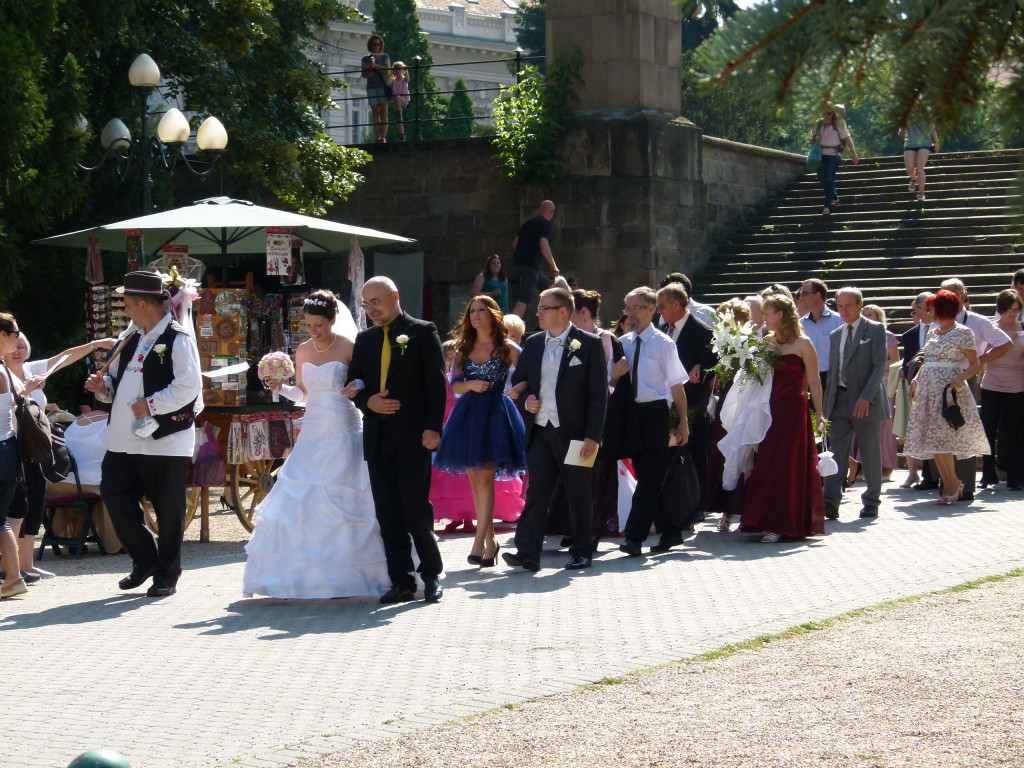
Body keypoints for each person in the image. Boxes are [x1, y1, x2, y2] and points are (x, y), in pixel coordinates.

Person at [242, 290, 391, 599]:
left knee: (351, 501)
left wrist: (357, 386)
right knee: (305, 497)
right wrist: (281, 388)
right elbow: (304, 394)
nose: (313, 331)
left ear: (333, 320)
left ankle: (361, 574)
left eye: (319, 325)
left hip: (345, 426)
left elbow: (366, 381)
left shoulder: (350, 347)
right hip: (313, 429)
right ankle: (303, 578)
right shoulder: (303, 350)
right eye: (309, 325)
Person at [84, 271, 203, 598]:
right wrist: (104, 388)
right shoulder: (131, 337)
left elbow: (189, 386)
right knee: (114, 494)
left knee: (168, 509)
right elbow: (124, 385)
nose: (124, 310)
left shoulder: (178, 338)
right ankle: (145, 559)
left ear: (142, 304)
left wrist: (151, 404)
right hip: (124, 438)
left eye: (126, 304)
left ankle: (167, 574)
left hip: (165, 439)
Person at [346, 276, 447, 603]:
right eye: (366, 303)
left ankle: (431, 575)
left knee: (415, 509)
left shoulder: (422, 331)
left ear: (395, 297)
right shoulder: (364, 340)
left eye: (376, 301)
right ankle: (401, 581)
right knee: (387, 514)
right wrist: (366, 403)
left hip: (414, 437)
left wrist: (434, 428)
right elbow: (353, 383)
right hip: (377, 438)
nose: (371, 309)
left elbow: (436, 384)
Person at [504, 287, 607, 571]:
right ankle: (527, 552)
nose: (537, 313)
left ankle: (582, 550)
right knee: (538, 491)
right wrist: (527, 401)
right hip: (540, 431)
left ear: (563, 311)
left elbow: (599, 395)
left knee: (578, 491)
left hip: (577, 435)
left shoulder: (588, 344)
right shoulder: (534, 343)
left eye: (544, 308)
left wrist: (593, 437)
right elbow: (521, 381)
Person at [4, 332, 115, 579]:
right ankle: (10, 567)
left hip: (37, 445)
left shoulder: (31, 368)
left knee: (35, 501)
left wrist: (94, 344)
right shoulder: (3, 373)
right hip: (13, 444)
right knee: (15, 504)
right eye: (14, 345)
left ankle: (26, 564)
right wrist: (28, 390)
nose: (17, 351)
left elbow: (63, 358)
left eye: (22, 346)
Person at [434, 296, 526, 567]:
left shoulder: (507, 348)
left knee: (485, 480)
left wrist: (518, 390)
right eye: (472, 311)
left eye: (481, 311)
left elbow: (528, 376)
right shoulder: (463, 348)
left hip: (497, 415)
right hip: (469, 417)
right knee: (475, 480)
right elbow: (455, 386)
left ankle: (478, 542)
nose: (475, 315)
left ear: (492, 315)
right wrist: (471, 384)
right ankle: (490, 542)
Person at [739, 295, 826, 542]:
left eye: (767, 313)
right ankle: (762, 519)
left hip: (792, 412)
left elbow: (814, 381)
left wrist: (819, 413)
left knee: (788, 465)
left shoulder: (803, 343)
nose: (763, 318)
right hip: (768, 410)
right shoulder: (767, 342)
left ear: (779, 315)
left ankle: (782, 524)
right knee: (767, 462)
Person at [617, 287, 690, 556]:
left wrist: (682, 423)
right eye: (628, 308)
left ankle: (634, 537)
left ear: (651, 309)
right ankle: (670, 531)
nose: (631, 313)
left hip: (656, 413)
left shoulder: (663, 344)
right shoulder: (623, 343)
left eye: (636, 307)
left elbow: (677, 386)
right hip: (630, 415)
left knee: (648, 477)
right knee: (649, 477)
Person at [904, 290, 991, 505]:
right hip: (928, 389)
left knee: (944, 437)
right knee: (933, 438)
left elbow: (975, 363)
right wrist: (915, 380)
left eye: (932, 308)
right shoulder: (934, 332)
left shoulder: (963, 332)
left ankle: (952, 483)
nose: (929, 311)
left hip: (947, 391)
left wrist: (960, 378)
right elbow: (926, 360)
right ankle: (951, 482)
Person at [938, 277, 1011, 500]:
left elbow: (1006, 342)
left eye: (951, 295)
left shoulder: (977, 322)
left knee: (962, 430)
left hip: (964, 379)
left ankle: (966, 486)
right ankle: (949, 483)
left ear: (962, 296)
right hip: (941, 381)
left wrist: (980, 360)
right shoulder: (938, 321)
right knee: (943, 431)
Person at [821, 288, 890, 521]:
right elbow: (833, 373)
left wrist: (866, 396)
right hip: (839, 399)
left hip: (865, 400)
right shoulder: (836, 334)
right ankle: (830, 502)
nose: (844, 310)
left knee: (870, 450)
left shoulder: (875, 329)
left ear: (860, 305)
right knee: (835, 452)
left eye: (849, 305)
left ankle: (871, 501)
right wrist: (826, 406)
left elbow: (879, 366)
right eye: (840, 306)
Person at [656, 282, 716, 500]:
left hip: (691, 402)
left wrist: (701, 366)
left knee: (695, 453)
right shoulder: (662, 330)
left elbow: (712, 366)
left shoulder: (702, 330)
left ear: (677, 304)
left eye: (662, 306)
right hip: (665, 401)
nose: (659, 311)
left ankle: (697, 502)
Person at [704, 299, 750, 531]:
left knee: (741, 454)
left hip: (743, 403)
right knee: (721, 454)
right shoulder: (721, 343)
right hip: (724, 404)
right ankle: (725, 509)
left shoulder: (750, 343)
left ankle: (738, 509)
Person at [849, 304, 900, 483]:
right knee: (861, 422)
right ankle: (861, 465)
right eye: (864, 314)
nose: (867, 317)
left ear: (879, 317)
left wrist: (876, 366)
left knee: (884, 425)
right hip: (861, 381)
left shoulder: (888, 336)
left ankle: (885, 467)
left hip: (883, 382)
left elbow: (895, 361)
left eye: (871, 314)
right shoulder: (856, 334)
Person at [978, 289, 1024, 490]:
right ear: (1001, 309)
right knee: (988, 429)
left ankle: (1015, 476)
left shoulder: (1023, 327)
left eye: (1016, 310)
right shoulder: (991, 328)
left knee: (1016, 431)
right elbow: (981, 357)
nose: (1012, 314)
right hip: (992, 382)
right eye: (1009, 310)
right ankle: (988, 474)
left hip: (1017, 383)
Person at [0, 313, 27, 599]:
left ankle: (14, 576)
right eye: (15, 332)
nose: (18, 338)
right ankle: (13, 577)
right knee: (1, 519)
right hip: (8, 449)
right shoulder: (5, 371)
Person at [899, 293, 935, 489]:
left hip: (939, 388)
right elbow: (906, 362)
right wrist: (908, 372)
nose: (915, 313)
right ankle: (927, 475)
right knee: (921, 432)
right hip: (918, 389)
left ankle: (936, 476)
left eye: (917, 309)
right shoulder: (910, 335)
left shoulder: (942, 330)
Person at [511, 200, 559, 317]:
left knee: (551, 290)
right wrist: (554, 266)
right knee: (524, 299)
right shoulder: (545, 224)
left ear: (540, 209)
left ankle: (555, 322)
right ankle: (508, 329)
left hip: (523, 266)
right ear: (551, 212)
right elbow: (544, 245)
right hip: (530, 267)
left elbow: (514, 244)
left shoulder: (528, 222)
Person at [810, 105, 860, 215]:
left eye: (829, 113)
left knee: (829, 178)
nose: (827, 116)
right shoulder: (819, 123)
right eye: (825, 113)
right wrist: (815, 138)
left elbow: (848, 139)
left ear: (833, 113)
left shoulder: (838, 124)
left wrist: (854, 154)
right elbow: (811, 137)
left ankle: (827, 206)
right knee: (822, 180)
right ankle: (834, 195)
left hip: (833, 154)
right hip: (820, 155)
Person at [798, 278, 843, 391]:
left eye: (804, 293)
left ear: (818, 295)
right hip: (808, 378)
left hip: (833, 379)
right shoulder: (800, 324)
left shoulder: (838, 321)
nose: (801, 298)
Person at [361, 33, 392, 144]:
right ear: (370, 45)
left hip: (382, 86)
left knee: (383, 112)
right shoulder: (366, 58)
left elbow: (387, 70)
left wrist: (375, 66)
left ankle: (383, 137)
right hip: (371, 87)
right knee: (375, 112)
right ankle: (377, 137)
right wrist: (368, 67)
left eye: (378, 44)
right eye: (374, 44)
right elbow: (364, 75)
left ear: (381, 45)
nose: (376, 46)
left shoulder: (385, 56)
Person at [902, 118, 939, 201]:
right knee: (909, 170)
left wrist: (936, 142)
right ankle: (914, 179)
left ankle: (921, 193)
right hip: (910, 144)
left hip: (925, 143)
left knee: (920, 169)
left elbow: (932, 128)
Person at [390, 61, 410, 141]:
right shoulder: (393, 80)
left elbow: (408, 79)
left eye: (399, 69)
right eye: (396, 69)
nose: (397, 71)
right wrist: (390, 74)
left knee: (397, 97)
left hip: (404, 100)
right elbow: (388, 83)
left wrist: (407, 70)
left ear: (403, 70)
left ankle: (398, 114)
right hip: (396, 101)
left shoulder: (404, 78)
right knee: (400, 121)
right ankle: (402, 135)